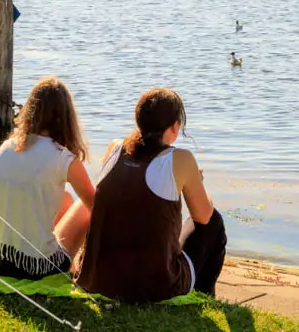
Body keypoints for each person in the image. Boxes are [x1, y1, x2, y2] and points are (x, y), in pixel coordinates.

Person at [76, 88, 227, 302]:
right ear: (175, 127)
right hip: (155, 288)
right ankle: (204, 295)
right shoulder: (181, 159)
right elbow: (203, 216)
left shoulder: (115, 148)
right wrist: (196, 184)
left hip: (99, 281)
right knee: (214, 223)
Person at [0, 77, 94, 279]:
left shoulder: (8, 146)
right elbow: (98, 208)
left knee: (65, 198)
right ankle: (78, 269)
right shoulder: (63, 157)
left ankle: (65, 262)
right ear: (67, 117)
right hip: (32, 267)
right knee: (84, 207)